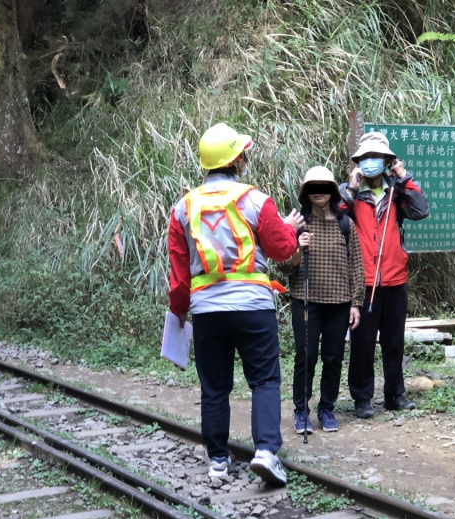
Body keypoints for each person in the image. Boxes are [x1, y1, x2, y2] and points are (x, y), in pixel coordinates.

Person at [167, 122, 305, 486]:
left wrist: (180, 310)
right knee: (263, 380)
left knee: (214, 387)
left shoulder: (183, 207)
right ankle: (265, 452)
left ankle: (216, 462)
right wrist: (289, 228)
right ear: (237, 160)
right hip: (252, 307)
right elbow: (283, 249)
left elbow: (180, 274)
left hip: (207, 311)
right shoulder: (256, 200)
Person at [338, 131, 429, 419]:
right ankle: (362, 399)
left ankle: (394, 395)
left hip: (394, 278)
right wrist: (351, 190)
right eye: (365, 158)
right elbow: (337, 222)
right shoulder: (349, 194)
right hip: (362, 282)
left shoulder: (396, 192)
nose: (371, 162)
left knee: (394, 341)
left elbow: (421, 210)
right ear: (358, 163)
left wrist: (403, 176)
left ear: (387, 161)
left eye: (376, 157)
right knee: (362, 343)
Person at [279, 166, 364, 434]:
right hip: (305, 300)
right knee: (306, 356)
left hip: (339, 302)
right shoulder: (298, 224)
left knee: (333, 357)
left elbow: (356, 266)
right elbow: (284, 265)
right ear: (306, 192)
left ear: (332, 191)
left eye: (324, 187)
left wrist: (356, 303)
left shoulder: (345, 224)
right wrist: (298, 247)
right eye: (313, 187)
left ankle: (326, 408)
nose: (319, 192)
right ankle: (301, 411)